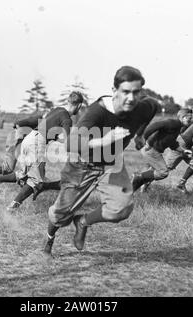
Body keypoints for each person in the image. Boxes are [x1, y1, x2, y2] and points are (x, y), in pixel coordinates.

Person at [43, 66, 158, 256]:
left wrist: (140, 135)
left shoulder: (144, 106)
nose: (131, 98)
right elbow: (71, 143)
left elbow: (151, 107)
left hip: (112, 164)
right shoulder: (96, 112)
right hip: (81, 165)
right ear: (114, 91)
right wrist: (105, 140)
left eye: (136, 92)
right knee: (60, 215)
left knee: (121, 209)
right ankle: (48, 241)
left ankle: (82, 222)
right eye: (126, 92)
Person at [0, 92, 84, 211]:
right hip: (37, 143)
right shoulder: (67, 120)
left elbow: (48, 128)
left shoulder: (58, 110)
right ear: (79, 106)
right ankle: (12, 207)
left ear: (68, 101)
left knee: (23, 174)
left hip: (29, 138)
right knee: (36, 180)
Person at [131, 108, 193, 192]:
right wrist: (145, 139)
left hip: (154, 151)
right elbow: (155, 125)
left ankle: (132, 189)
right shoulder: (173, 123)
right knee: (163, 172)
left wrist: (183, 151)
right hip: (151, 150)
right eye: (189, 119)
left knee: (151, 172)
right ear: (183, 117)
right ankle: (138, 177)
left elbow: (172, 143)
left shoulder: (178, 128)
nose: (190, 121)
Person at [0, 113, 43, 189]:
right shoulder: (39, 119)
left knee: (11, 169)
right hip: (15, 140)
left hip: (18, 140)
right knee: (10, 168)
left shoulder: (44, 123)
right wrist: (20, 140)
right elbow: (18, 123)